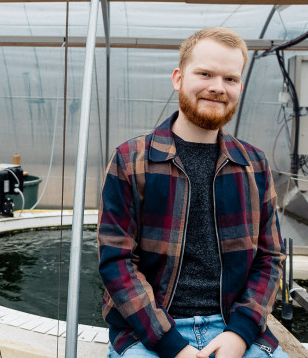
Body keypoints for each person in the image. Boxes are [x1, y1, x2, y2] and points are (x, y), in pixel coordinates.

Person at [97, 27, 287, 358]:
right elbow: (117, 262)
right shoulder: (131, 160)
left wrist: (239, 335)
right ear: (178, 78)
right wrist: (172, 346)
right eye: (205, 74)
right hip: (149, 332)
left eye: (230, 78)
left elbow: (270, 259)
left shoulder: (254, 164)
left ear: (240, 86)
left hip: (232, 327)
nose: (218, 87)